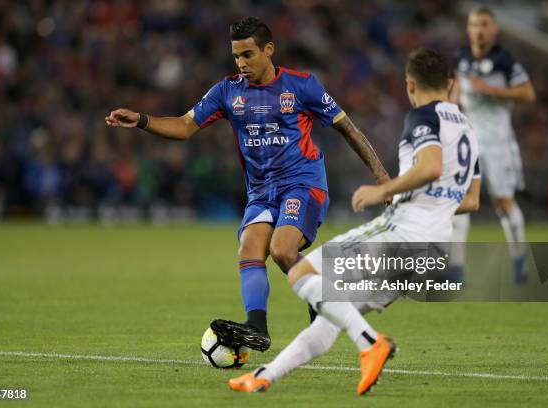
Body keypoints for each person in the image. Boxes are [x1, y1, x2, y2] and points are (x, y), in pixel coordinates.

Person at [105, 17, 389, 352]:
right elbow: (184, 126)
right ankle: (258, 328)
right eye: (236, 56)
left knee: (282, 249)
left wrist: (382, 178)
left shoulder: (302, 86)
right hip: (261, 193)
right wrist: (141, 120)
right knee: (249, 249)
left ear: (269, 50)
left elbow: (349, 130)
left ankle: (326, 301)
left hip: (303, 184)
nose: (241, 63)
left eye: (248, 55)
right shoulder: (227, 91)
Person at [229, 47, 482, 395]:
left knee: (303, 272)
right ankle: (264, 376)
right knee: (331, 317)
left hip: (401, 233)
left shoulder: (422, 118)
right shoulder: (468, 129)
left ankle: (370, 343)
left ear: (409, 85)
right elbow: (471, 200)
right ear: (451, 84)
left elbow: (431, 167)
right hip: (435, 247)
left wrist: (384, 191)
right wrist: (432, 206)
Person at [449, 7, 535, 284]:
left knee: (502, 202)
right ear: (469, 28)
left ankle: (519, 261)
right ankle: (457, 268)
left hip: (499, 142)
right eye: (475, 24)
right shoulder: (461, 59)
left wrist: (491, 91)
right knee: (459, 199)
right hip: (469, 140)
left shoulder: (505, 61)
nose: (479, 30)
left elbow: (527, 94)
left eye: (485, 24)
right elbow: (455, 93)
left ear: (494, 29)